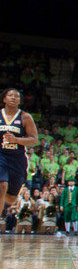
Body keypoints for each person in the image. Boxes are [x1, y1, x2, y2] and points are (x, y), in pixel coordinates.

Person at [0, 88, 38, 233]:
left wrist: (16, 140)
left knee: (11, 197)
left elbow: (34, 140)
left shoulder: (25, 117)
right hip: (1, 155)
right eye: (10, 95)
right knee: (2, 185)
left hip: (17, 159)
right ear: (4, 99)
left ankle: (5, 208)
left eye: (16, 96)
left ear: (20, 101)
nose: (13, 97)